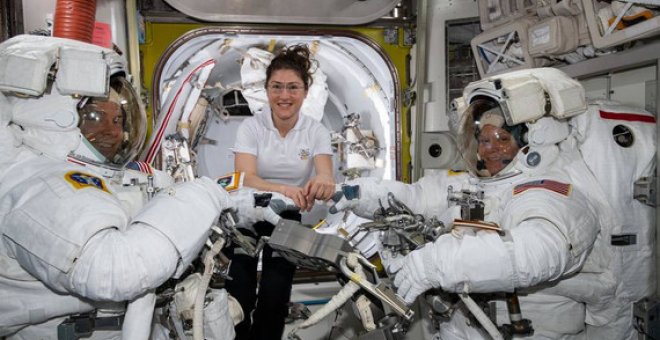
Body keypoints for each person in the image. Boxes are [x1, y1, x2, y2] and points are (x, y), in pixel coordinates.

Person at [0, 34, 281, 340]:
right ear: (51, 117)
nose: (114, 132)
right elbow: (115, 270)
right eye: (95, 117)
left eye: (118, 118)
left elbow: (164, 207)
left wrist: (239, 204)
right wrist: (208, 194)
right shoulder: (34, 186)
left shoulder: (113, 178)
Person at [332, 68, 625, 339]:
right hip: (464, 326)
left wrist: (438, 264)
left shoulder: (551, 190)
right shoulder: (475, 185)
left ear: (532, 141)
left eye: (502, 138)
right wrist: (358, 194)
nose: (489, 150)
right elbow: (417, 198)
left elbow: (538, 252)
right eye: (483, 140)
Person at [228, 44, 335, 340]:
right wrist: (284, 188)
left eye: (292, 88)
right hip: (247, 211)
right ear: (266, 89)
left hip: (286, 214)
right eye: (276, 87)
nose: (284, 96)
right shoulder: (251, 127)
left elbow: (325, 172)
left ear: (305, 90)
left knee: (276, 293)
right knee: (239, 291)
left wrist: (323, 183)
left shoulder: (316, 131)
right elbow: (245, 177)